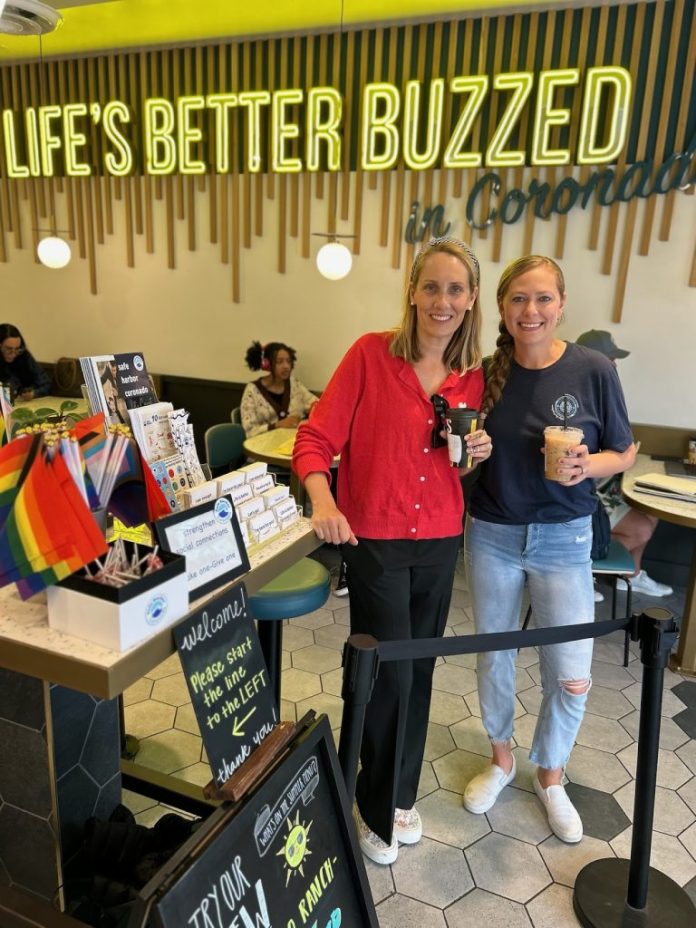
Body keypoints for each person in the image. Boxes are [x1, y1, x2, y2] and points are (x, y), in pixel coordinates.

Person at [292, 238, 491, 865]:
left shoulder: (473, 376)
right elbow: (314, 438)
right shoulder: (370, 355)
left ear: (471, 299)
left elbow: (452, 468)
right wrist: (323, 501)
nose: (441, 300)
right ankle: (377, 806)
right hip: (375, 539)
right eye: (431, 286)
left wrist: (475, 456)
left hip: (439, 539)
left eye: (455, 289)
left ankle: (395, 793)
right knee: (390, 674)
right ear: (411, 292)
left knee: (419, 670)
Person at [463, 256, 636, 845]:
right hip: (493, 532)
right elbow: (458, 455)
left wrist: (590, 464)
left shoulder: (593, 369)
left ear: (561, 305)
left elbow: (624, 451)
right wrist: (468, 453)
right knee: (494, 657)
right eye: (518, 298)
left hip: (565, 537)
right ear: (502, 307)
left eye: (542, 299)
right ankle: (501, 759)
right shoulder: (485, 373)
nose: (530, 311)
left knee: (571, 672)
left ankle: (550, 774)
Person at [576, 330, 673, 598]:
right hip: (584, 495)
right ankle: (582, 571)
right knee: (641, 529)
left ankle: (631, 575)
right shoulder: (577, 396)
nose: (615, 365)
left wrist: (622, 457)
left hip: (602, 488)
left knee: (651, 511)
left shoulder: (602, 391)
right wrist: (618, 460)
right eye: (610, 359)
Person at [240, 340, 319, 438]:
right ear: (266, 364)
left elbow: (314, 403)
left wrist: (314, 408)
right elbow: (249, 431)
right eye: (279, 362)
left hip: (292, 441)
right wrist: (276, 425)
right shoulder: (252, 390)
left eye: (288, 361)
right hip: (265, 443)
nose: (286, 366)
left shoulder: (294, 383)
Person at [0, 323, 51, 401]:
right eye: (8, 349)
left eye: (17, 349)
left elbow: (46, 383)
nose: (13, 354)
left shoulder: (23, 355)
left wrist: (33, 393)